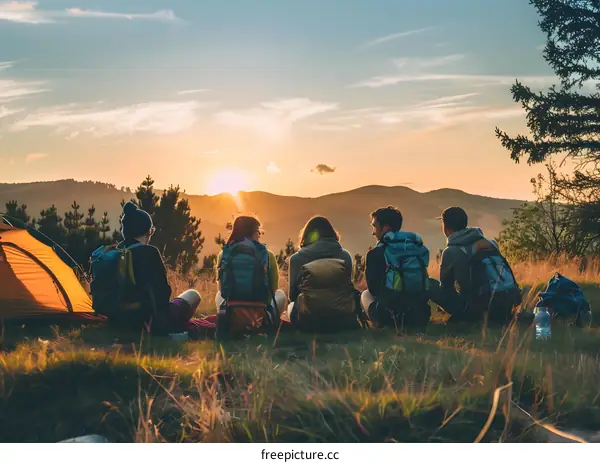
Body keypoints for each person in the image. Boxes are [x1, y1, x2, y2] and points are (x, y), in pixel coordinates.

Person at [90, 201, 203, 335]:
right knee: (193, 295)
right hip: (146, 320)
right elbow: (162, 294)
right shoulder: (149, 252)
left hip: (116, 317)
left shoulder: (112, 252)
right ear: (148, 231)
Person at [429, 206, 522, 324]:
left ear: (445, 227)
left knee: (429, 283)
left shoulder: (451, 251)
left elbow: (446, 288)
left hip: (477, 309)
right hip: (507, 304)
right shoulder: (490, 243)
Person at [286, 216, 363, 331]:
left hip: (308, 321)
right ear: (332, 234)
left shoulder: (296, 259)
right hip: (342, 319)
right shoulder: (344, 256)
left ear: (306, 235)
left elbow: (292, 296)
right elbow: (347, 289)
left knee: (290, 306)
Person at [215, 216, 287, 337]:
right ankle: (265, 319)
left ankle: (233, 320)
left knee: (217, 295)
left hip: (233, 309)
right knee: (281, 295)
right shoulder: (268, 255)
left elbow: (222, 290)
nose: (259, 235)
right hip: (260, 309)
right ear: (253, 233)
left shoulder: (223, 254)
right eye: (258, 232)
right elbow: (273, 289)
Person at [361, 206, 431, 330]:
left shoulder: (375, 253)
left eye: (375, 226)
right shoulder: (416, 248)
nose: (373, 231)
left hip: (389, 316)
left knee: (365, 294)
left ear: (386, 228)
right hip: (419, 315)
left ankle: (379, 324)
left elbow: (374, 290)